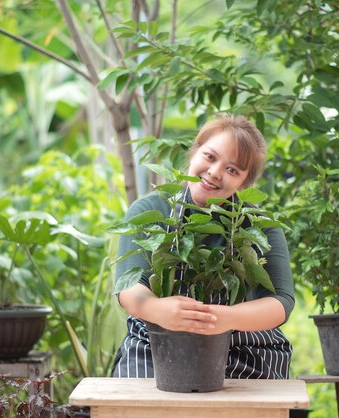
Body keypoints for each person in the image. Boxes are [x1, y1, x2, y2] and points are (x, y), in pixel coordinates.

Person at [112, 114, 295, 379]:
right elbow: (129, 288)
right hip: (155, 347)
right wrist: (159, 310)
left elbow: (282, 301)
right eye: (210, 157)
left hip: (244, 351)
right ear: (195, 151)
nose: (215, 172)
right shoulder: (152, 209)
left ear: (244, 183)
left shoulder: (258, 225)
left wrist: (225, 318)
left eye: (233, 170)